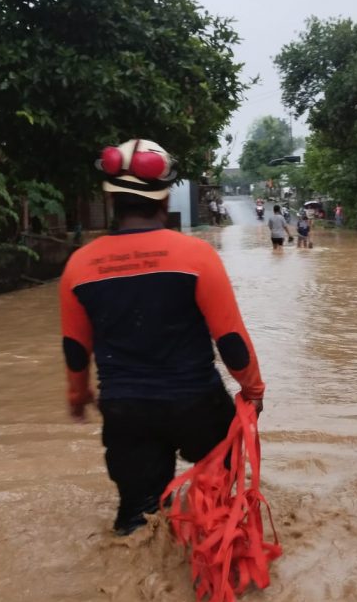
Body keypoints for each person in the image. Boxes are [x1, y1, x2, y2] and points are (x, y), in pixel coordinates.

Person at [59, 138, 265, 535]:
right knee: (221, 507)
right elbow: (231, 340)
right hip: (197, 405)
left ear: (112, 197)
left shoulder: (79, 265)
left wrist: (77, 396)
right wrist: (253, 390)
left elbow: (75, 350)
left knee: (139, 517)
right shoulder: (196, 256)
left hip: (125, 410)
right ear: (165, 196)